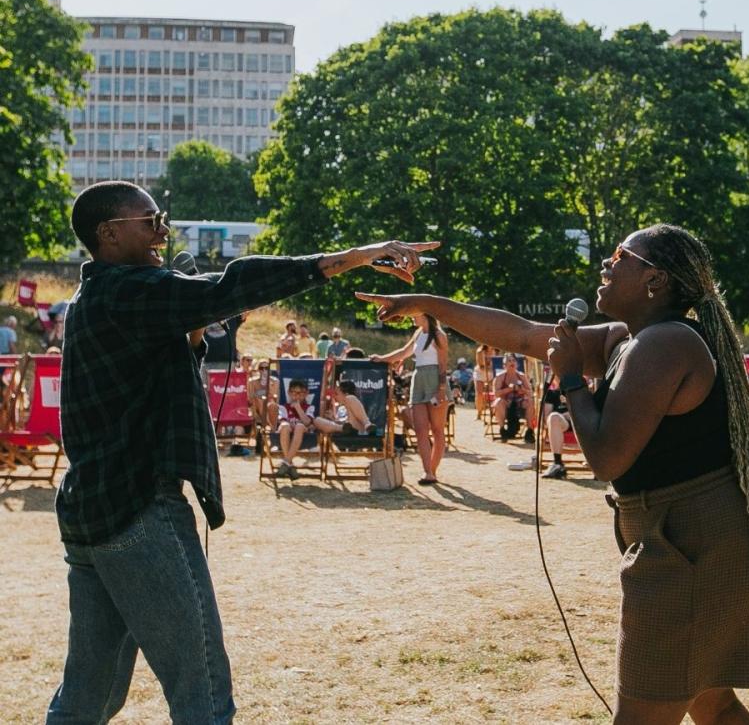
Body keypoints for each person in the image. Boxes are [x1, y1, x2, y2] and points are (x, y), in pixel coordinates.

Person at [358, 223, 749, 724]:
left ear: (656, 280)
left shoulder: (666, 344)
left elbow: (607, 459)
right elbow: (520, 333)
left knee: (652, 713)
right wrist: (431, 304)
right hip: (694, 539)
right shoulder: (632, 337)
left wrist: (567, 379)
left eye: (622, 254)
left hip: (693, 548)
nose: (606, 263)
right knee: (711, 702)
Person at [47, 179, 437, 724]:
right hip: (137, 510)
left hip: (95, 513)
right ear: (109, 234)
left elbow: (156, 356)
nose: (163, 230)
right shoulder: (126, 291)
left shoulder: (103, 296)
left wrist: (192, 325)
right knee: (202, 692)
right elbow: (231, 284)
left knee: (88, 699)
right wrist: (351, 258)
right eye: (150, 221)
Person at [371, 314, 449, 485]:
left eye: (416, 314)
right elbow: (403, 353)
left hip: (435, 379)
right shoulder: (418, 333)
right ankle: (427, 471)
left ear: (426, 315)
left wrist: (441, 390)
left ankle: (432, 471)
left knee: (437, 429)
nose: (412, 317)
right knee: (420, 429)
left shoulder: (439, 335)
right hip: (419, 379)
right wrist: (382, 358)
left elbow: (443, 365)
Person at [274, 378, 319, 479]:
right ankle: (289, 463)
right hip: (286, 434)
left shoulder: (309, 407)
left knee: (299, 426)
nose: (297, 396)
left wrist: (298, 408)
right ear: (289, 393)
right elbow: (282, 421)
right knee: (285, 426)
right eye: (294, 392)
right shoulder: (283, 407)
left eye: (300, 393)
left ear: (306, 393)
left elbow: (307, 422)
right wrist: (292, 424)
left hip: (305, 437)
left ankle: (286, 462)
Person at [541, 374, 578, 479]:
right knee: (553, 417)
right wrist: (563, 415)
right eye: (558, 375)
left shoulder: (578, 392)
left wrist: (572, 414)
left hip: (579, 423)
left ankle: (595, 462)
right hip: (561, 423)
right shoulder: (551, 394)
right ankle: (557, 464)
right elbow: (546, 418)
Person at [492, 352, 535, 443]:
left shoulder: (521, 376)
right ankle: (502, 429)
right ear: (504, 365)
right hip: (506, 402)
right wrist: (509, 389)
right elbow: (496, 393)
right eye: (509, 361)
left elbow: (530, 392)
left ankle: (530, 430)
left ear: (517, 363)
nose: (512, 362)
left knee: (530, 402)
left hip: (519, 402)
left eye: (513, 360)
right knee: (499, 402)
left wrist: (522, 390)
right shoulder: (500, 377)